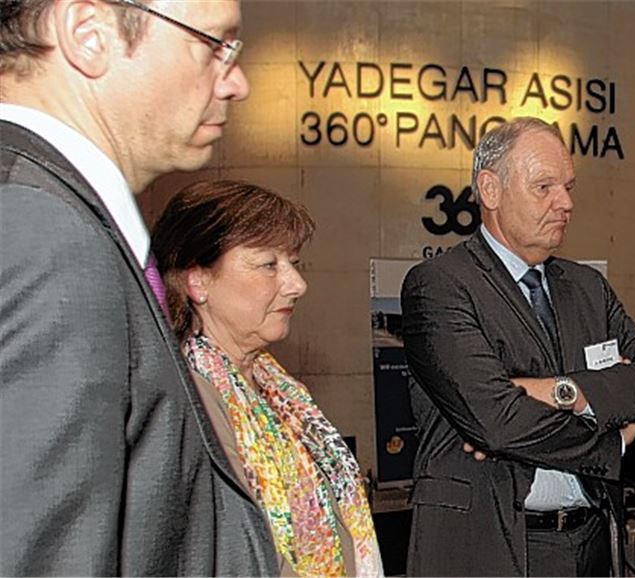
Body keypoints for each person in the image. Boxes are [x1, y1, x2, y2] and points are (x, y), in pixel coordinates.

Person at [0, 1, 277, 575]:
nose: (238, 81)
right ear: (89, 35)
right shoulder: (38, 230)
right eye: (214, 45)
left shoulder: (57, 215)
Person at [400, 116, 635, 576]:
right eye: (544, 186)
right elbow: (497, 423)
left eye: (568, 186)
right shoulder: (441, 285)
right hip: (492, 547)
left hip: (592, 544)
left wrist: (560, 391)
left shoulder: (587, 287)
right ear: (490, 190)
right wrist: (611, 436)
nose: (566, 203)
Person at [151, 180, 384, 577]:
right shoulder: (184, 399)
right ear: (198, 280)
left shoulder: (282, 392)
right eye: (268, 264)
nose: (297, 284)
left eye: (293, 262)